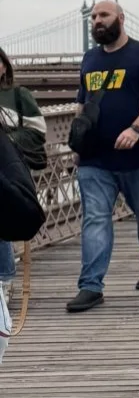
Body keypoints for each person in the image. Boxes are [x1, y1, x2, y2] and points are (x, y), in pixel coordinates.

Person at [66, 0, 139, 313]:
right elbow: (82, 102)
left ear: (121, 19)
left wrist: (136, 129)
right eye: (94, 16)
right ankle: (91, 286)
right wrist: (77, 143)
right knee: (96, 219)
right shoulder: (89, 59)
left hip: (138, 153)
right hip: (95, 158)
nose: (97, 21)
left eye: (104, 15)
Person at [0, 47, 47, 299]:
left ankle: (4, 280)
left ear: (4, 66)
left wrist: (6, 141)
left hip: (9, 167)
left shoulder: (18, 95)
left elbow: (38, 131)